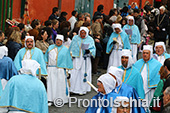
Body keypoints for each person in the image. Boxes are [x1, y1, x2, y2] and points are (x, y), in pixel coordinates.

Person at [44, 34, 73, 106]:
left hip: (60, 69)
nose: (58, 41)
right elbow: (45, 58)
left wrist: (68, 71)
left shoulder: (65, 49)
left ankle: (60, 99)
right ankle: (50, 99)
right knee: (51, 84)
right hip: (51, 69)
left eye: (60, 40)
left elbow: (68, 61)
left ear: (62, 41)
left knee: (60, 85)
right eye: (57, 40)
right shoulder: (50, 48)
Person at [134, 45, 162, 112]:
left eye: (147, 53)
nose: (145, 55)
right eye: (144, 53)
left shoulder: (157, 64)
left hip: (151, 90)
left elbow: (159, 78)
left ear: (151, 54)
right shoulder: (137, 63)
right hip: (139, 89)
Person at [69, 27, 96, 95]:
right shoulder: (75, 38)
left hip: (85, 59)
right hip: (76, 58)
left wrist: (89, 51)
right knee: (74, 72)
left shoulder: (90, 39)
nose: (83, 34)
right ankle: (72, 88)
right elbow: (71, 47)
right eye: (81, 32)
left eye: (84, 33)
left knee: (83, 73)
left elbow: (93, 49)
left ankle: (83, 89)